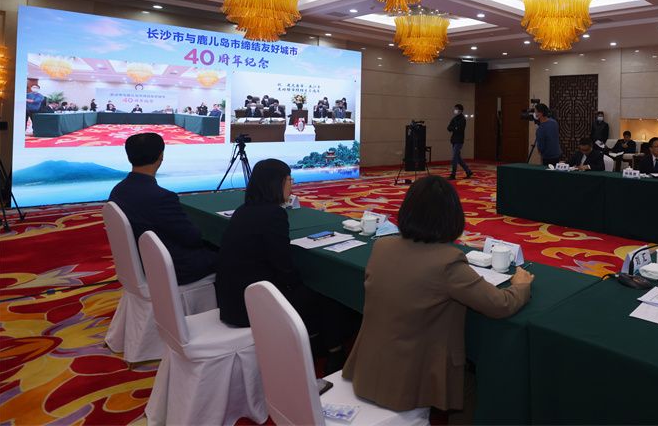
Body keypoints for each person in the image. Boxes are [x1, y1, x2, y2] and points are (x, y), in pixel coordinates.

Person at [342, 176, 533, 414]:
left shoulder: (382, 246)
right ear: (452, 217)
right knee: (477, 390)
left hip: (368, 371)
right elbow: (501, 304)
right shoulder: (447, 262)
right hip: (407, 384)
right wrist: (521, 285)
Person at [215, 159, 358, 369]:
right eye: (290, 180)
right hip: (252, 308)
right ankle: (334, 352)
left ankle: (314, 337)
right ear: (277, 183)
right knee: (329, 293)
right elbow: (284, 268)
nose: (292, 185)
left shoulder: (243, 210)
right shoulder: (273, 214)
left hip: (231, 300)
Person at [108, 133, 215, 285]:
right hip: (174, 268)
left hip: (143, 262)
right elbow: (193, 238)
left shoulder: (118, 191)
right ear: (161, 156)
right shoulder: (161, 197)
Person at [447, 103, 472, 180]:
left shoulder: (462, 119)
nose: (455, 110)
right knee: (458, 158)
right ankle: (468, 171)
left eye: (456, 109)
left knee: (454, 157)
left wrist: (454, 128)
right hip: (454, 140)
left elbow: (460, 129)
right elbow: (448, 128)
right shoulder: (454, 118)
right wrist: (455, 128)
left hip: (459, 140)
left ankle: (453, 174)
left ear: (460, 110)